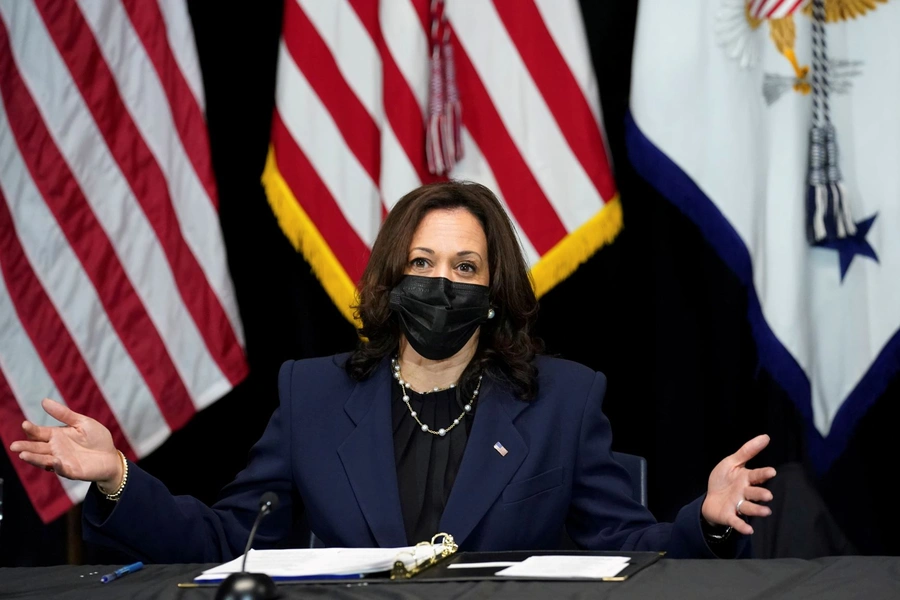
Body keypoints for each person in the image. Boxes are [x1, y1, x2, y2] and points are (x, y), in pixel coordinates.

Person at [10, 181, 775, 563]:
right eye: (424, 262)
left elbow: (622, 550)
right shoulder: (311, 394)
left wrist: (700, 520)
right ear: (393, 276)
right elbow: (227, 543)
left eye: (465, 267)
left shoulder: (565, 398)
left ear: (492, 291)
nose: (442, 283)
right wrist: (114, 475)